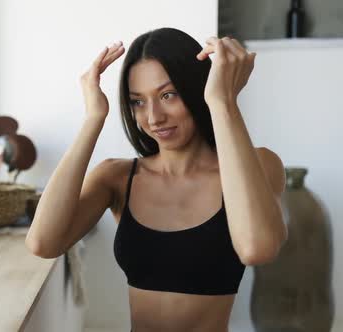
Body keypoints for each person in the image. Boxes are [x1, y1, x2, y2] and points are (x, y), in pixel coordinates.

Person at [25, 27, 288, 332]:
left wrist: (223, 103)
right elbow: (43, 242)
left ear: (197, 88)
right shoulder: (117, 177)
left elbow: (257, 248)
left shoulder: (259, 166)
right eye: (138, 101)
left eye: (168, 95)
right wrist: (93, 118)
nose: (153, 117)